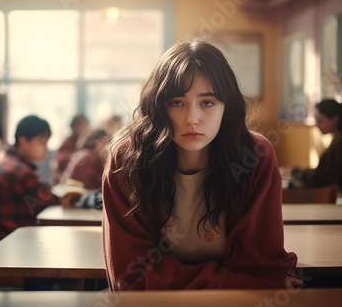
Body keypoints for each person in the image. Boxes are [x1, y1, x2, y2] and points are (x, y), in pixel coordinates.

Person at [102, 39, 300, 291]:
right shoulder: (127, 158)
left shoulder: (254, 155)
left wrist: (251, 283)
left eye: (207, 102)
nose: (192, 119)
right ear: (157, 107)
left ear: (226, 107)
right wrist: (241, 283)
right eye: (176, 102)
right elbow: (132, 279)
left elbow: (258, 266)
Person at [0, 115, 60, 248]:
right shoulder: (18, 170)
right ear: (23, 141)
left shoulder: (5, 160)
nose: (46, 149)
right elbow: (52, 202)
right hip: (9, 249)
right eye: (42, 142)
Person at [290, 99, 342, 198]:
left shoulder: (340, 142)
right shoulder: (339, 140)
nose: (316, 125)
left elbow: (319, 176)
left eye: (320, 121)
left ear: (335, 120)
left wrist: (295, 172)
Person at [50, 114, 89, 185]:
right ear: (74, 127)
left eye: (87, 125)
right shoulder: (68, 141)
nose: (85, 128)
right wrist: (74, 156)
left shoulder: (87, 142)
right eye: (82, 125)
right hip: (65, 179)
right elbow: (57, 161)